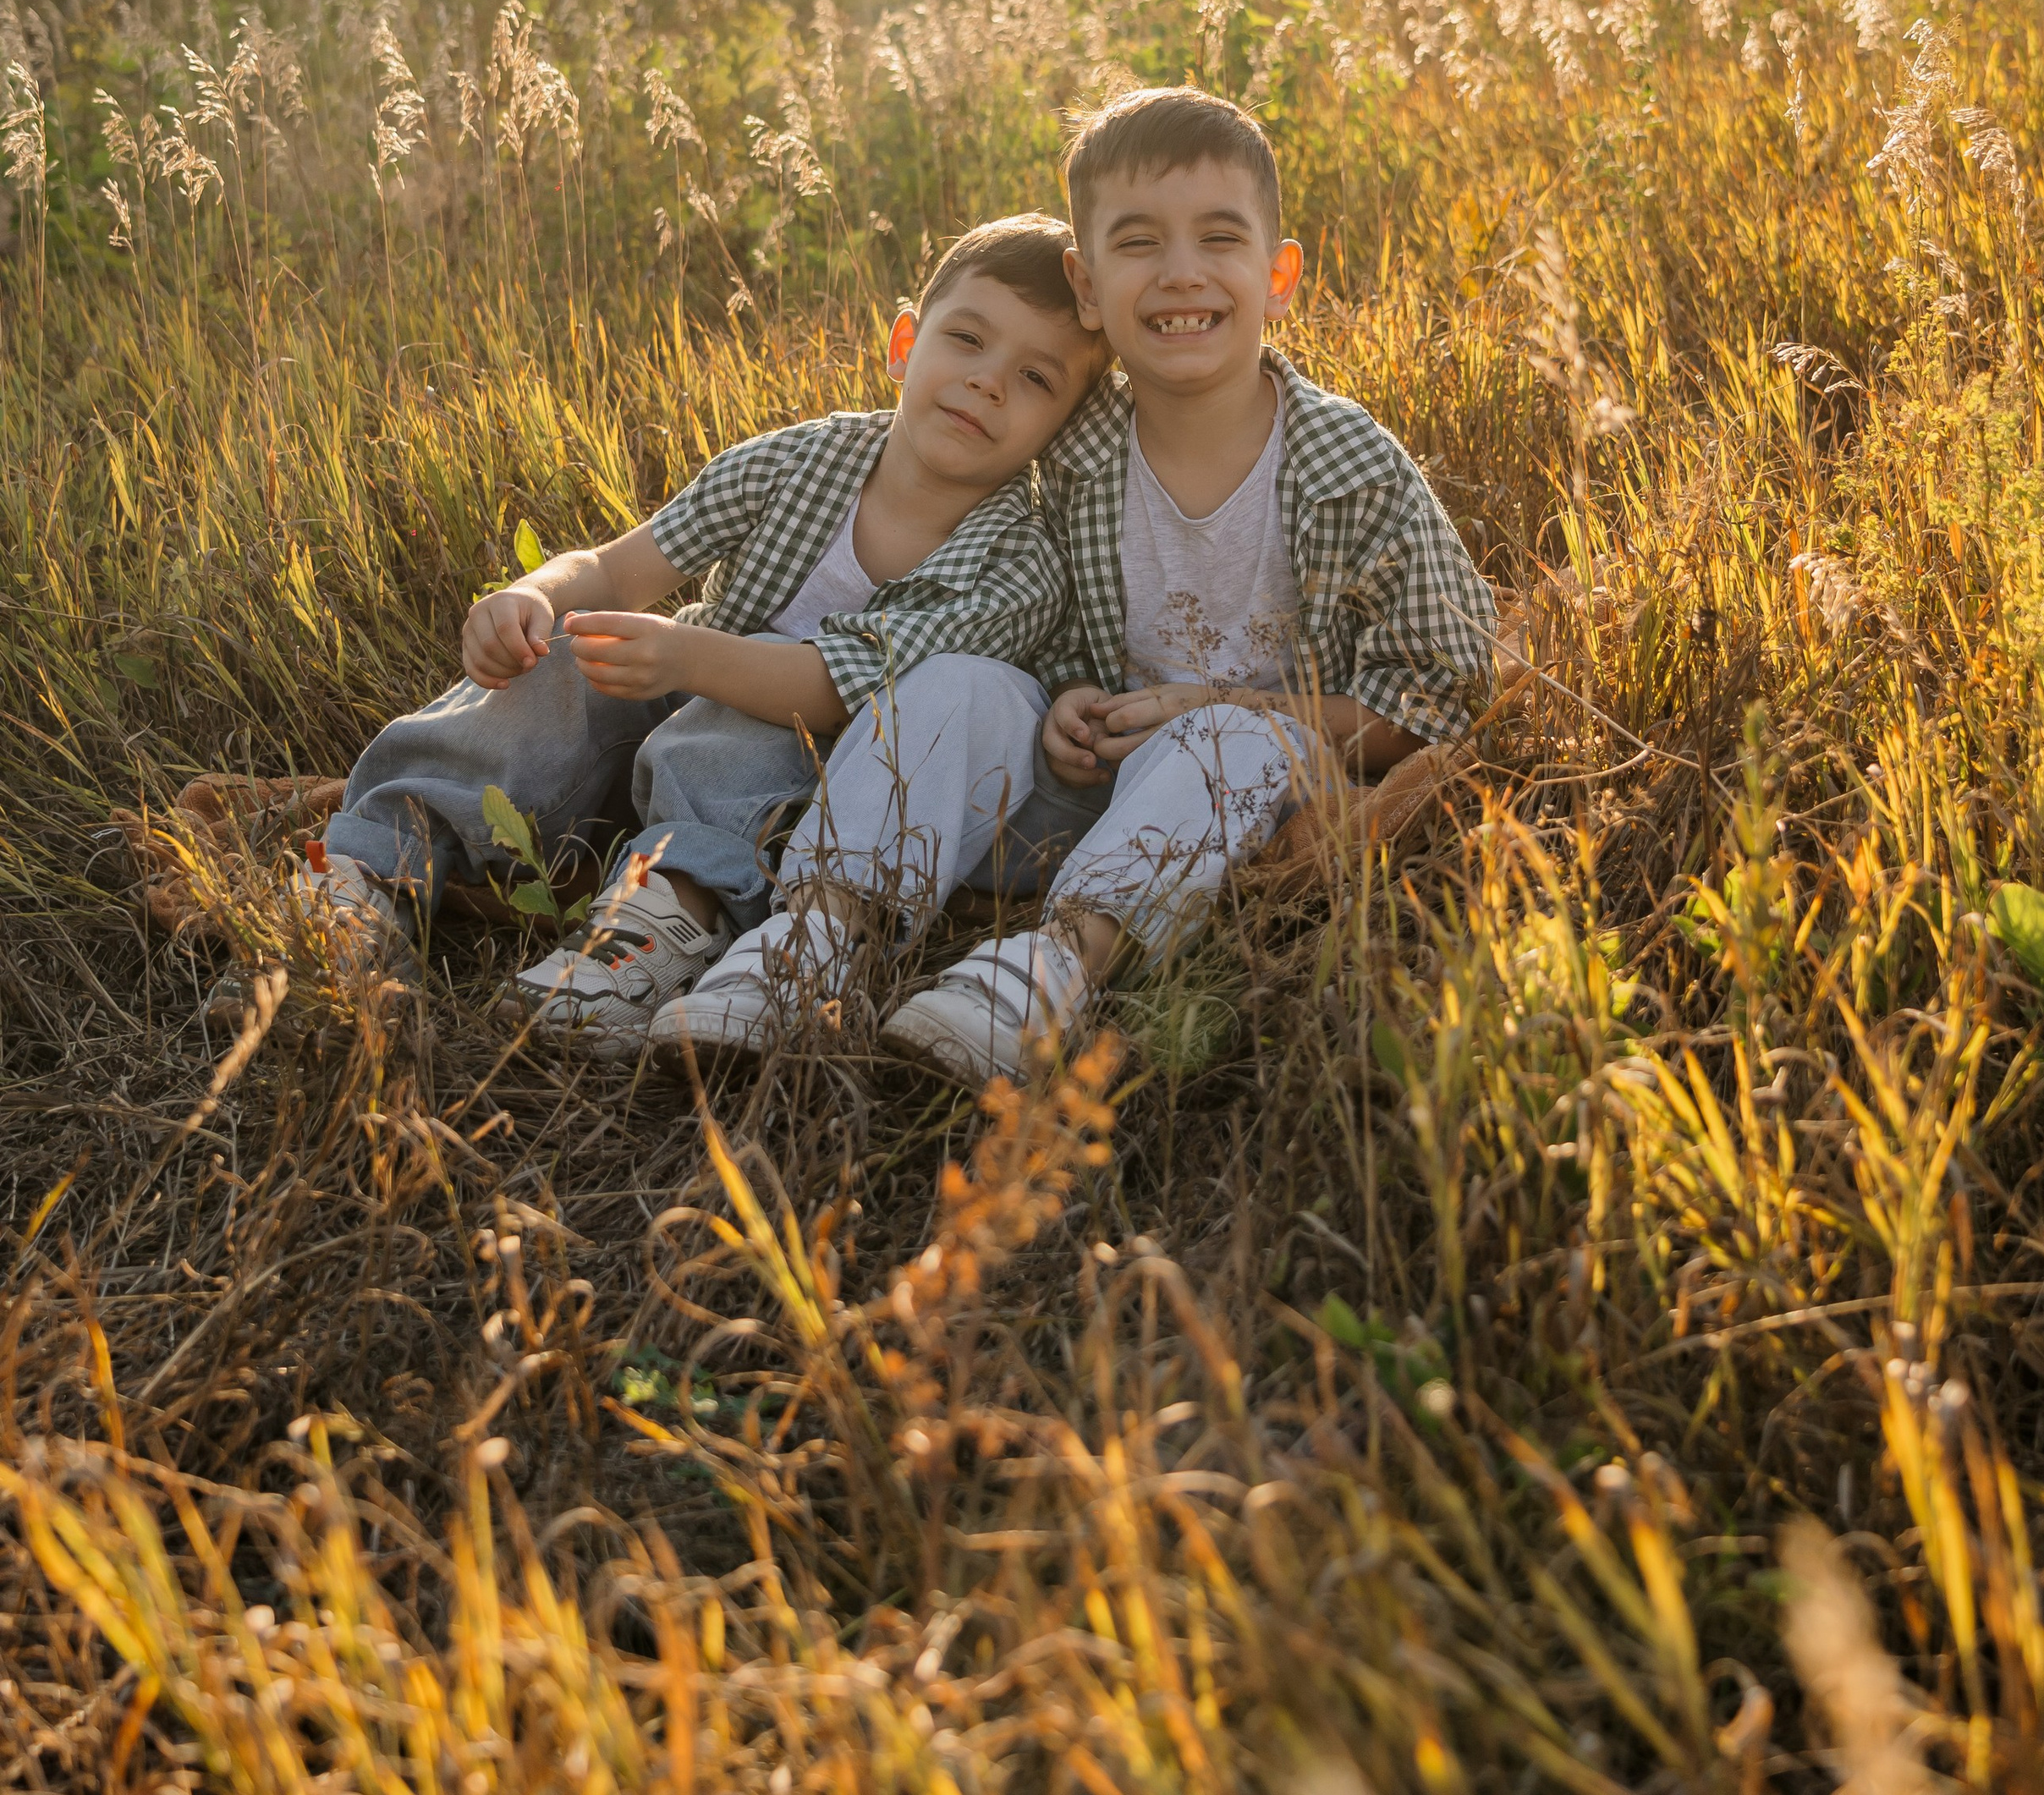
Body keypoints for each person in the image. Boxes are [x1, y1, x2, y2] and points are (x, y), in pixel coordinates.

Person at [652, 85, 1495, 1070]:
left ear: (1277, 275)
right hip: (1082, 796)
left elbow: (1434, 702)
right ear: (1087, 288)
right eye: (1138, 243)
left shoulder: (1350, 469)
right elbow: (1017, 623)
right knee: (956, 682)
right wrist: (1064, 703)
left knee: (1223, 737)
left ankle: (1054, 965)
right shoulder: (1067, 450)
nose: (1181, 273)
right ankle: (816, 937)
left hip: (1251, 797)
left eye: (1218, 238)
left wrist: (1214, 703)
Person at [301, 216, 1104, 1036]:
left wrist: (688, 657)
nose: (987, 382)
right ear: (905, 344)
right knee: (570, 652)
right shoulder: (799, 460)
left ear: (1065, 430)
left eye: (1035, 378)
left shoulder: (1018, 566)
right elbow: (616, 568)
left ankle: (664, 916)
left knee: (755, 701)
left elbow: (829, 692)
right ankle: (371, 868)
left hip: (812, 776)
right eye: (966, 339)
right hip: (686, 693)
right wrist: (535, 595)